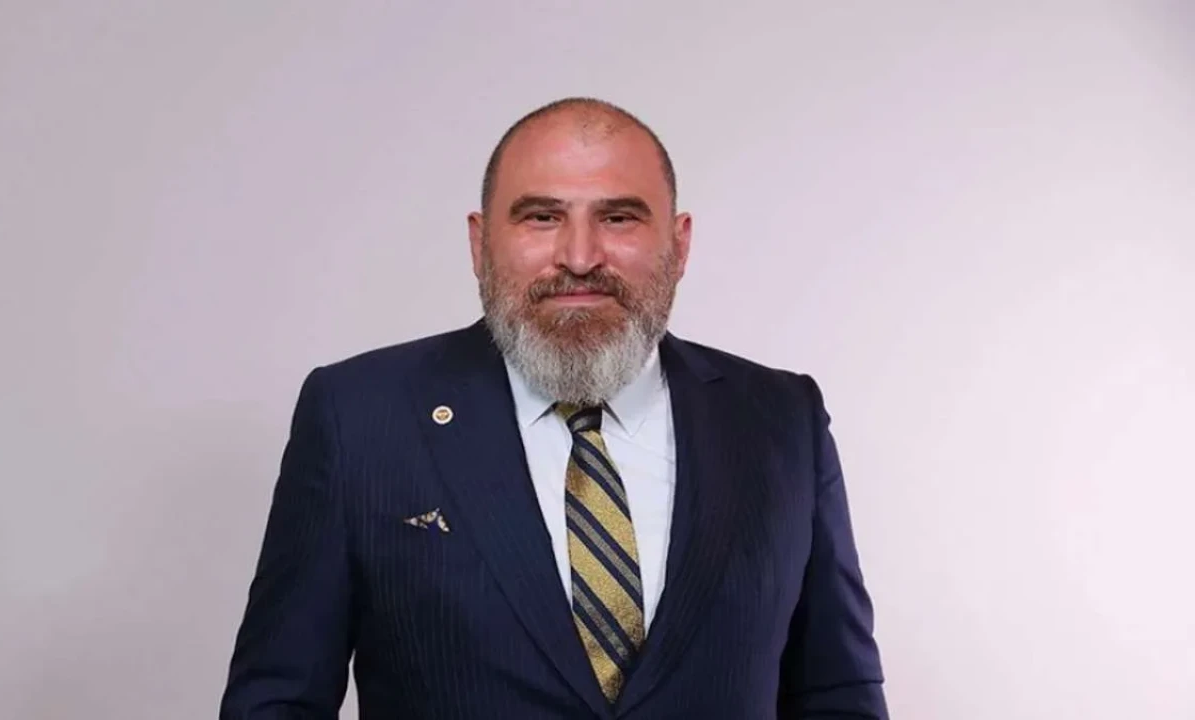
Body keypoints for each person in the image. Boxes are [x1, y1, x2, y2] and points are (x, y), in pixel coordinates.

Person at [219, 97, 888, 719]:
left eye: (619, 218)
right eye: (541, 217)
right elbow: (277, 701)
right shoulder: (359, 418)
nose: (580, 257)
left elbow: (837, 694)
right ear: (480, 242)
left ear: (680, 243)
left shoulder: (781, 421)